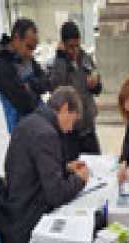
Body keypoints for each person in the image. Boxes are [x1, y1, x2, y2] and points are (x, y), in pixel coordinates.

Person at [0, 86, 89, 243]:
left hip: (15, 209)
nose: (71, 128)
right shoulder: (47, 134)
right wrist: (80, 180)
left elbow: (32, 171)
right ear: (63, 108)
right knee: (86, 227)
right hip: (26, 220)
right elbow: (56, 194)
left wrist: (65, 168)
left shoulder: (31, 121)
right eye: (73, 119)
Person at [50, 21, 102, 161]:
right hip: (70, 130)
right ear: (63, 44)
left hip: (88, 125)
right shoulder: (58, 63)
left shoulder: (85, 58)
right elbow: (55, 87)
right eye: (70, 47)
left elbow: (98, 87)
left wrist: (96, 84)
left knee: (96, 164)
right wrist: (61, 58)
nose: (74, 51)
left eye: (77, 46)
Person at [0, 18, 51, 133]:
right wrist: (36, 87)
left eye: (33, 49)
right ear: (17, 38)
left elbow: (46, 83)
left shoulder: (27, 59)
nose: (31, 53)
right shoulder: (3, 67)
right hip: (22, 133)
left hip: (39, 124)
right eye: (28, 47)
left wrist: (30, 85)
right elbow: (25, 104)